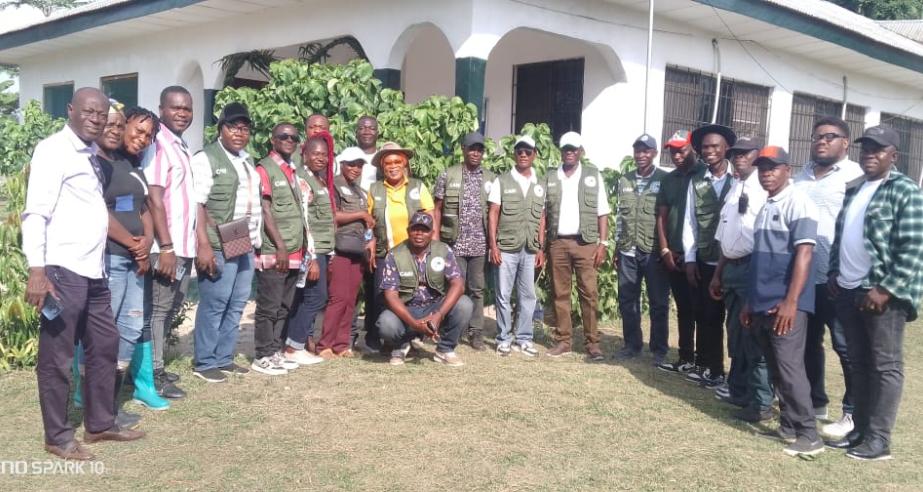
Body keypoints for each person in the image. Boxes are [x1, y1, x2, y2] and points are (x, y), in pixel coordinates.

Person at [24, 87, 144, 460]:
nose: (96, 118)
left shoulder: (94, 156)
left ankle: (100, 424)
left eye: (102, 113)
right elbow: (36, 213)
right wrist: (37, 270)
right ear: (71, 111)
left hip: (94, 273)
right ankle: (57, 437)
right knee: (57, 357)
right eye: (89, 112)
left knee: (104, 347)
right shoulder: (53, 150)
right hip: (62, 271)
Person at [827, 126, 923, 461]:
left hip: (882, 295)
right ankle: (860, 432)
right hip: (851, 291)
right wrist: (834, 273)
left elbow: (913, 248)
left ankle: (880, 440)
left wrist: (886, 288)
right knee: (860, 364)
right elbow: (841, 237)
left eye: (878, 149)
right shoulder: (855, 189)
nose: (870, 154)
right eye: (866, 148)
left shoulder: (904, 190)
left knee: (885, 366)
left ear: (893, 155)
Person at [741, 145, 821, 457]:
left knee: (789, 369)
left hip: (786, 304)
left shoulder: (799, 201)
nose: (766, 174)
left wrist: (791, 301)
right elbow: (760, 261)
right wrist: (750, 301)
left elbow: (804, 253)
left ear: (788, 169)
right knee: (776, 369)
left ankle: (809, 434)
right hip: (762, 302)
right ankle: (788, 426)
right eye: (762, 168)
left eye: (773, 167)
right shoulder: (767, 204)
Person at [98, 104, 170, 428]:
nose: (142, 139)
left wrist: (148, 244)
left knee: (128, 329)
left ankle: (111, 404)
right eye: (138, 130)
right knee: (106, 330)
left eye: (148, 135)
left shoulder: (132, 164)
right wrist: (132, 244)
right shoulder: (99, 162)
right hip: (112, 257)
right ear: (122, 124)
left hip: (135, 259)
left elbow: (143, 208)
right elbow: (100, 212)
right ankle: (96, 403)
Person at [792, 116, 864, 435]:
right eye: (817, 137)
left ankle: (853, 412)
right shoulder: (801, 175)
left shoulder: (855, 177)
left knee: (845, 346)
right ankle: (815, 400)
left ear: (845, 143)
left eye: (830, 137)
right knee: (808, 343)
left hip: (838, 279)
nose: (821, 141)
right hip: (804, 277)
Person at [191, 102, 262, 383]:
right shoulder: (206, 158)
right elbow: (198, 203)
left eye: (244, 128)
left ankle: (224, 357)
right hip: (218, 241)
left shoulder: (247, 159)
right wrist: (204, 245)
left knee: (237, 302)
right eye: (233, 127)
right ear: (221, 128)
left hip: (244, 238)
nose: (239, 133)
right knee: (215, 302)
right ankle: (205, 361)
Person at [707, 137, 773, 422]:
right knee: (735, 332)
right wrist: (718, 274)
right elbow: (725, 235)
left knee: (752, 336)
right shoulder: (736, 187)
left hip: (751, 267)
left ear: (757, 156)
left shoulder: (765, 189)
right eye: (735, 154)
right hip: (731, 268)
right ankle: (740, 390)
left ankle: (760, 400)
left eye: (745, 154)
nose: (739, 158)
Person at [251, 124, 323, 375]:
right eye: (283, 136)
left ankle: (274, 351)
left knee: (284, 306)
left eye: (293, 137)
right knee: (268, 307)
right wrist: (280, 247)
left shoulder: (292, 170)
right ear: (273, 140)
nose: (289, 140)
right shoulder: (265, 168)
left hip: (295, 250)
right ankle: (261, 355)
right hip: (275, 251)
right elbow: (265, 209)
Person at [140, 85, 195, 400]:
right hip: (168, 246)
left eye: (187, 109)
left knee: (170, 306)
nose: (183, 114)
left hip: (182, 245)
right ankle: (153, 374)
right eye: (176, 108)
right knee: (158, 311)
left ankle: (155, 365)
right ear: (161, 108)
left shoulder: (179, 144)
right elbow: (155, 198)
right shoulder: (158, 144)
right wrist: (166, 247)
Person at [545, 131, 610, 361]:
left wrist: (603, 243)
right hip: (559, 242)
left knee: (589, 293)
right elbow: (544, 211)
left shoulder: (593, 176)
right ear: (561, 152)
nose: (570, 153)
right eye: (566, 149)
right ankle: (564, 341)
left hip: (586, 243)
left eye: (573, 149)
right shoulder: (552, 176)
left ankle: (592, 343)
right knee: (560, 293)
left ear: (580, 151)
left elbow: (603, 212)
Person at [377, 211, 473, 366]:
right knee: (386, 323)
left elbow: (458, 284)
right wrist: (414, 323)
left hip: (434, 306)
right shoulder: (395, 254)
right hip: (406, 308)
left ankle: (445, 349)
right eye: (415, 229)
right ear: (408, 231)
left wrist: (439, 315)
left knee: (464, 304)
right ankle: (401, 345)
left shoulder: (443, 250)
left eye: (425, 230)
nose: (419, 234)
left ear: (432, 233)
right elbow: (391, 296)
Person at [366, 142, 434, 352]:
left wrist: (433, 248)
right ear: (382, 166)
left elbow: (430, 216)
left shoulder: (417, 186)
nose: (393, 166)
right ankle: (381, 338)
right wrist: (369, 240)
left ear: (404, 164)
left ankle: (410, 336)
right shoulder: (375, 189)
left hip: (413, 254)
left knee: (412, 296)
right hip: (385, 254)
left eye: (397, 161)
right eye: (388, 162)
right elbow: (369, 220)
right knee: (381, 297)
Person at [682, 124, 736, 387]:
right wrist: (690, 259)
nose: (710, 151)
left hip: (735, 263)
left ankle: (737, 376)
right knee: (708, 316)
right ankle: (712, 368)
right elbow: (690, 222)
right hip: (705, 259)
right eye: (705, 147)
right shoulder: (697, 181)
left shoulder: (741, 180)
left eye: (716, 146)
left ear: (726, 148)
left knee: (735, 321)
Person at [432, 132, 495, 350]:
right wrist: (436, 238)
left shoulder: (490, 178)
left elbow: (495, 212)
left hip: (479, 244)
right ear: (463, 149)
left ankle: (476, 332)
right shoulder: (448, 175)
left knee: (477, 289)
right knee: (453, 288)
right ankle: (453, 329)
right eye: (472, 148)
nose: (475, 153)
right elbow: (436, 209)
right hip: (454, 243)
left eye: (479, 149)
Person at [611, 134, 668, 363]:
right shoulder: (624, 180)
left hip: (653, 251)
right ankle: (631, 345)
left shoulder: (665, 179)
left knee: (658, 302)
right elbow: (619, 216)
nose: (641, 155)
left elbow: (667, 218)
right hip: (627, 250)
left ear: (654, 154)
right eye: (638, 151)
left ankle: (659, 349)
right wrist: (617, 247)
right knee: (627, 300)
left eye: (646, 151)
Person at [487, 135, 546, 357]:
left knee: (527, 295)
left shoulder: (539, 184)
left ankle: (524, 337)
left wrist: (540, 247)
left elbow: (541, 218)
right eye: (519, 151)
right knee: (503, 294)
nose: (523, 154)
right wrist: (493, 246)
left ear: (534, 155)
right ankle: (503, 338)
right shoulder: (501, 181)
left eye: (528, 151)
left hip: (529, 249)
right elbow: (493, 213)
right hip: (506, 247)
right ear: (514, 154)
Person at [319, 148, 376, 356]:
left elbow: (368, 224)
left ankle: (341, 345)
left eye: (359, 165)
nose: (355, 169)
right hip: (340, 248)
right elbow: (332, 216)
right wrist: (361, 214)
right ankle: (325, 344)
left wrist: (370, 240)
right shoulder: (333, 186)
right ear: (341, 164)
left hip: (358, 250)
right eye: (351, 164)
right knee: (338, 298)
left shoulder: (360, 192)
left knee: (351, 299)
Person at [655, 130, 702, 374]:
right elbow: (661, 218)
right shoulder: (669, 180)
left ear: (693, 148)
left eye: (681, 150)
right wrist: (664, 249)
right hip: (674, 255)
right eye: (673, 151)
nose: (677, 155)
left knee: (703, 311)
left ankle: (706, 363)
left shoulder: (705, 175)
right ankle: (685, 358)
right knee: (683, 308)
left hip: (700, 256)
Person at [286, 136, 337, 359]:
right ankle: (293, 346)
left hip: (324, 249)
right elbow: (305, 221)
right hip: (313, 251)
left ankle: (292, 344)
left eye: (324, 155)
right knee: (315, 297)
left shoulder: (320, 179)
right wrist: (312, 257)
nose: (321, 158)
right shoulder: (303, 180)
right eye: (315, 154)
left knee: (309, 297)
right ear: (304, 154)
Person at [355, 115, 380, 190]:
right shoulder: (346, 159)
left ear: (377, 133)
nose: (367, 132)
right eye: (362, 128)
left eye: (372, 128)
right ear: (356, 133)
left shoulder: (384, 159)